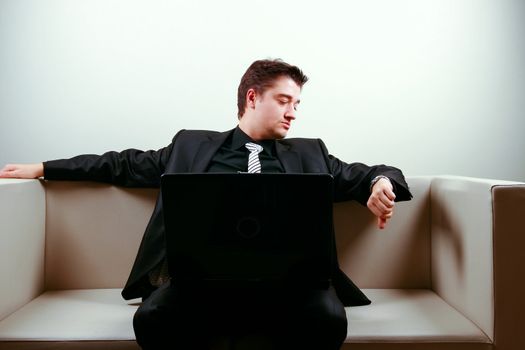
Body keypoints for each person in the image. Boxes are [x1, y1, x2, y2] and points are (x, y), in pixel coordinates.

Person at [0, 58, 412, 349]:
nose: (293, 113)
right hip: (200, 279)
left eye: (297, 104)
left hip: (290, 283)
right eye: (285, 100)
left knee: (328, 320)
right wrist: (43, 167)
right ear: (252, 97)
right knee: (152, 319)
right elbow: (121, 164)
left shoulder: (310, 153)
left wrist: (380, 182)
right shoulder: (190, 146)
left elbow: (371, 171)